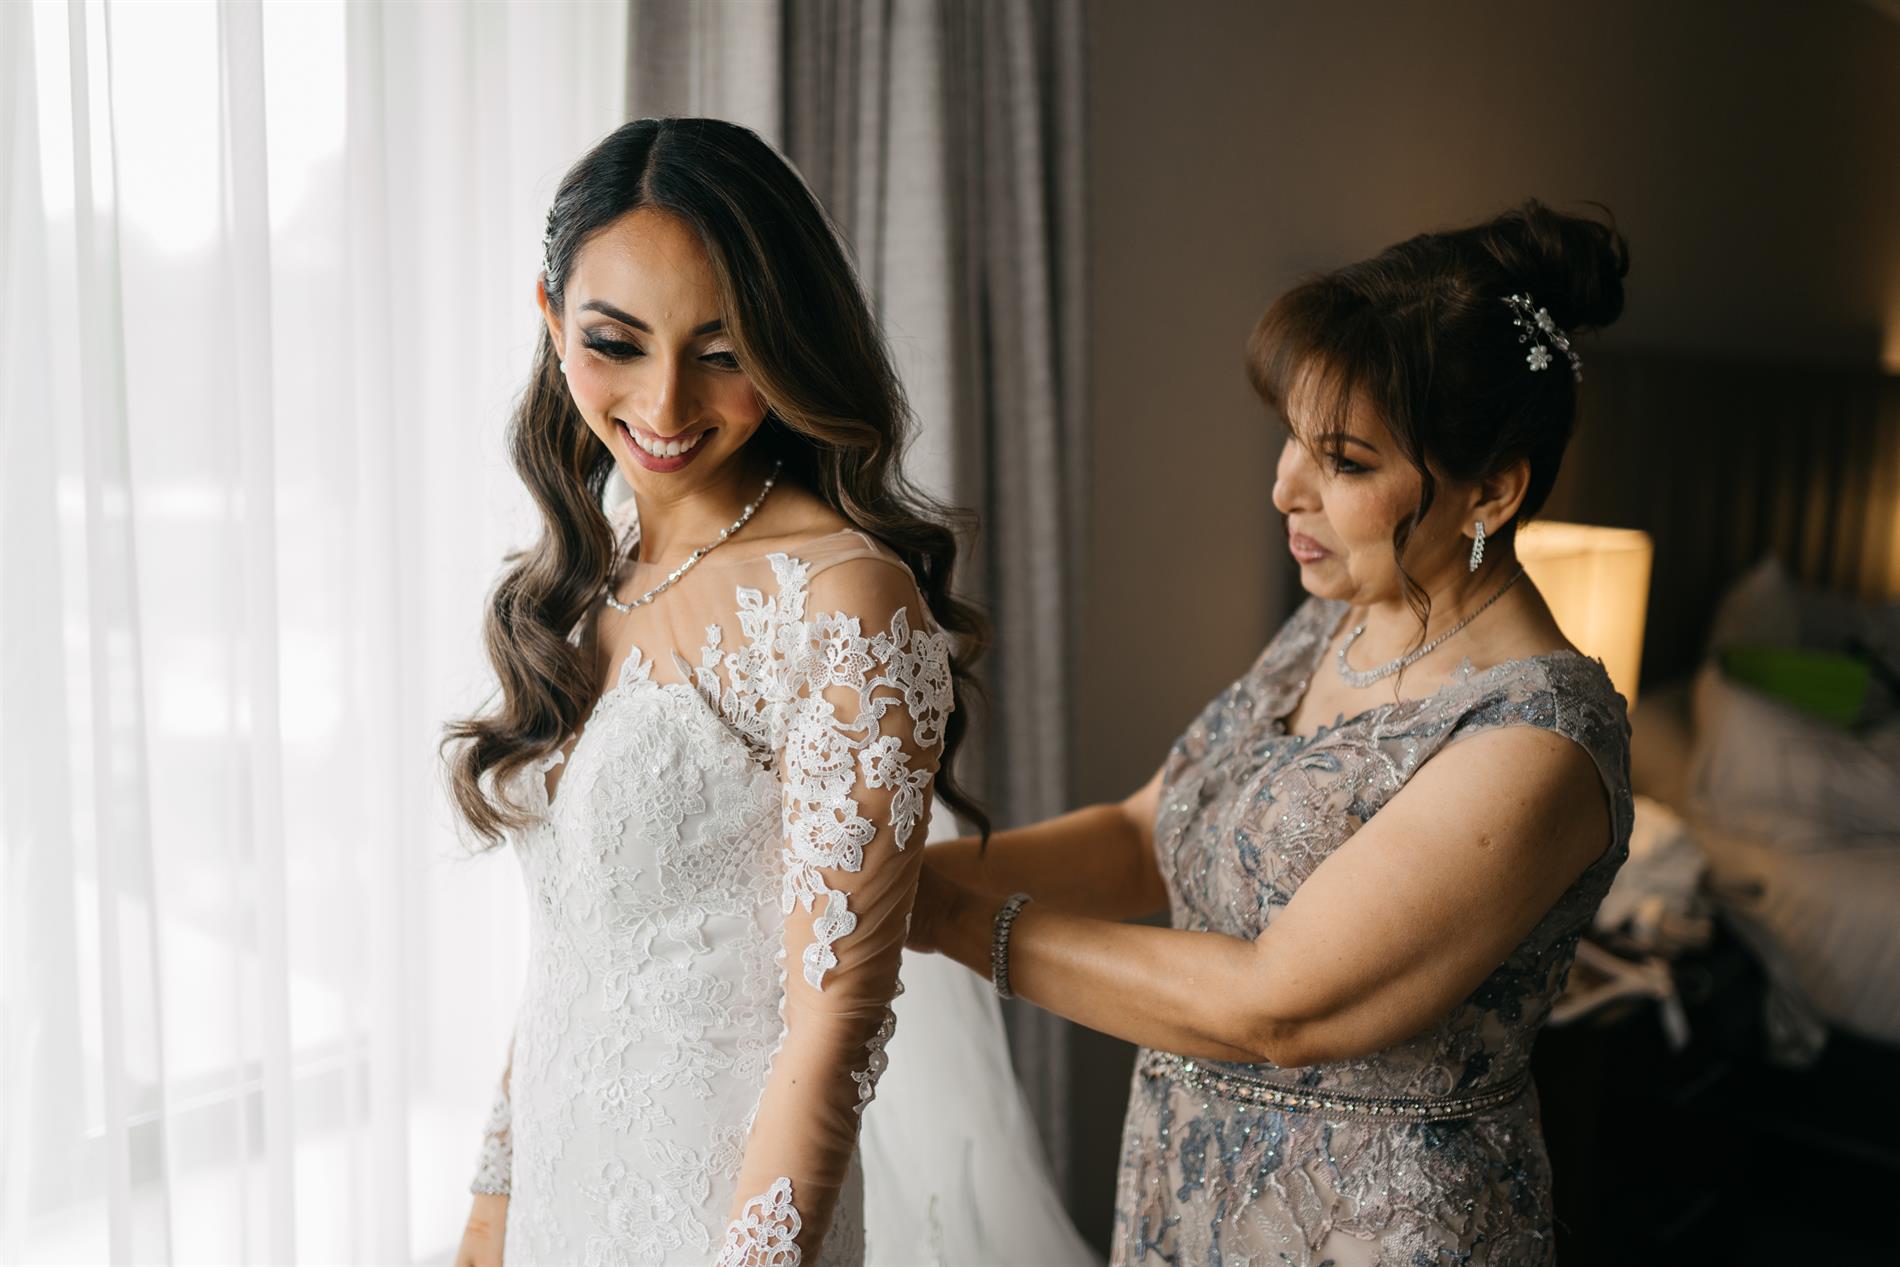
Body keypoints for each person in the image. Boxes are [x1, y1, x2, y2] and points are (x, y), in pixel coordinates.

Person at [908, 201, 1635, 1266]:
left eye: (1345, 461)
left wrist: (939, 916)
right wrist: (900, 870)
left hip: (1374, 1231)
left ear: (1491, 491)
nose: (1284, 486)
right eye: (1293, 437)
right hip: (1187, 1194)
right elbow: (1142, 835)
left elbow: (1276, 1007)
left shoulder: (1540, 740)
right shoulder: (1336, 622)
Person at [443, 116, 989, 1267]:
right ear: (552, 319)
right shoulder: (588, 570)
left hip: (723, 1216)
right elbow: (574, 958)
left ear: (787, 346)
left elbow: (834, 1030)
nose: (663, 403)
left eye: (723, 351)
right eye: (615, 343)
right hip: (561, 1199)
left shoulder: (842, 601)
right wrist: (490, 1216)